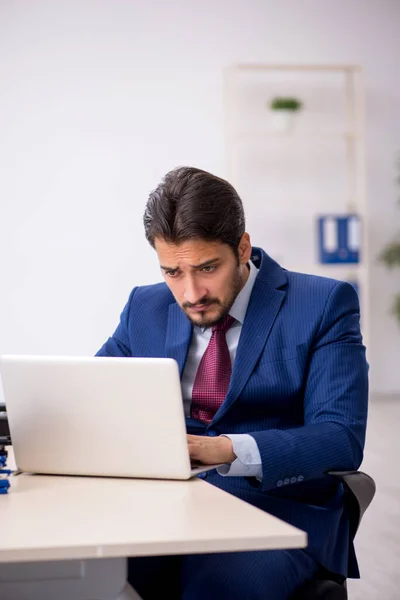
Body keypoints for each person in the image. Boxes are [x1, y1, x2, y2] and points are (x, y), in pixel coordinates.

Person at [96, 166, 368, 600]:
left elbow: (340, 438)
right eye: (172, 272)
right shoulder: (144, 306)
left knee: (213, 589)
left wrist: (225, 449)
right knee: (79, 574)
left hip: (274, 513)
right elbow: (93, 395)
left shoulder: (323, 303)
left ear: (242, 247)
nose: (191, 293)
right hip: (159, 510)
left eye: (207, 268)